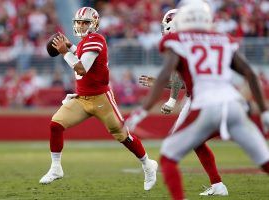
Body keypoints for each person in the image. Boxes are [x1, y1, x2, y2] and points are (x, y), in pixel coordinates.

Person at [125, 1, 269, 199]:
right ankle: (217, 184)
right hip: (234, 103)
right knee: (264, 159)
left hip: (203, 104)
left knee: (168, 156)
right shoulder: (221, 38)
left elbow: (173, 75)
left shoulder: (179, 40)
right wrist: (264, 111)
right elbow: (249, 74)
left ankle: (209, 186)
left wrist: (157, 104)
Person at [39, 7, 158, 191]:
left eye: (85, 22)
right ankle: (56, 168)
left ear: (94, 24)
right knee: (55, 124)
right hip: (81, 98)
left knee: (123, 136)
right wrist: (70, 47)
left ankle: (148, 165)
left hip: (101, 99)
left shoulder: (97, 39)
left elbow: (81, 68)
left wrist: (64, 52)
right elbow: (80, 53)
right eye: (78, 22)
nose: (81, 25)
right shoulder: (87, 41)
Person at [136, 8, 229, 196]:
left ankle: (182, 191)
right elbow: (186, 81)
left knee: (176, 143)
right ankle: (218, 184)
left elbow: (179, 76)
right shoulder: (199, 40)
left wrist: (171, 100)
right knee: (195, 141)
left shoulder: (181, 43)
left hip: (205, 100)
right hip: (211, 96)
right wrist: (162, 84)